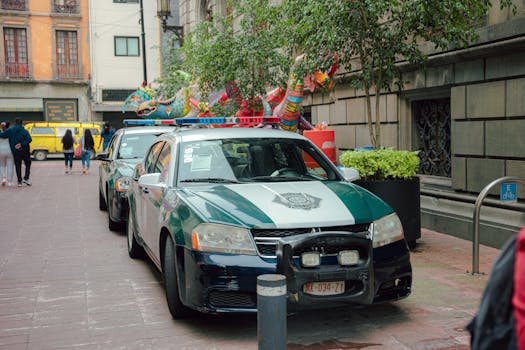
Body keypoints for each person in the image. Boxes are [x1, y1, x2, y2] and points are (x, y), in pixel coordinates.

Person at [0, 122, 14, 186]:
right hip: (9, 151)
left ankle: (3, 179)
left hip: (1, 151)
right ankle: (10, 182)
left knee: (2, 165)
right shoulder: (10, 132)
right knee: (10, 166)